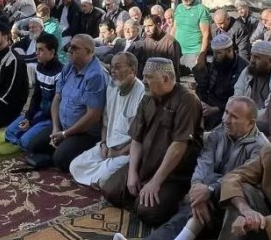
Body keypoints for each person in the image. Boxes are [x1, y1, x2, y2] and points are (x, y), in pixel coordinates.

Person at [112, 96, 268, 240]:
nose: (226, 119)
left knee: (199, 200)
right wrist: (196, 189)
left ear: (250, 122)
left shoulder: (261, 148)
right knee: (195, 203)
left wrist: (209, 190)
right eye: (226, 112)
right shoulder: (220, 132)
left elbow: (239, 180)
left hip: (234, 208)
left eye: (234, 116)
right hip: (208, 201)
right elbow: (203, 163)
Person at [101, 58, 203, 226]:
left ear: (165, 79)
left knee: (148, 213)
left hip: (173, 174)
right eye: (144, 76)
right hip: (146, 164)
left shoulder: (187, 100)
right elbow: (137, 138)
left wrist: (156, 181)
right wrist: (133, 172)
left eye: (149, 77)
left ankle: (169, 200)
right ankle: (142, 193)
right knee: (110, 191)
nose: (144, 81)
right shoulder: (148, 97)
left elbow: (179, 146)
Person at [26, 34, 107, 171]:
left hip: (84, 133)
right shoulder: (69, 67)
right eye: (70, 46)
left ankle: (66, 151)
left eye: (74, 48)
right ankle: (60, 147)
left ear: (88, 52)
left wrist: (65, 134)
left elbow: (93, 116)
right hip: (63, 127)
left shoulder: (95, 76)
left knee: (61, 160)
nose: (69, 50)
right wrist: (56, 128)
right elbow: (57, 98)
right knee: (33, 145)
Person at [70, 53, 146, 187]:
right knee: (75, 165)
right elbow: (105, 123)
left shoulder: (142, 93)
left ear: (132, 70)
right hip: (108, 147)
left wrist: (118, 152)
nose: (112, 71)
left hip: (127, 152)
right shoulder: (112, 87)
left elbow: (141, 137)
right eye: (111, 67)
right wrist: (104, 143)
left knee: (103, 178)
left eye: (117, 67)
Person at [5, 33, 64, 151]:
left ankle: (25, 141)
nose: (37, 53)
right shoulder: (40, 67)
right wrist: (28, 117)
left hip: (51, 117)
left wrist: (32, 121)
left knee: (26, 142)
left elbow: (55, 105)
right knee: (9, 131)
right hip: (38, 113)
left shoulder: (60, 72)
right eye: (37, 49)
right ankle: (23, 139)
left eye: (41, 50)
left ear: (52, 52)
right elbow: (36, 96)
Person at [195, 33, 249, 129]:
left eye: (219, 53)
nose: (215, 56)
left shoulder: (243, 68)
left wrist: (216, 109)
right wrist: (200, 102)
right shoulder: (217, 62)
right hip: (209, 104)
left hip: (229, 110)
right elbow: (204, 85)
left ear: (229, 51)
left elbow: (240, 99)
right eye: (214, 53)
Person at [234, 40, 271, 109]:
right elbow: (238, 94)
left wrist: (247, 116)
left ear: (270, 61)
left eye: (257, 57)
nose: (252, 60)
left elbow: (270, 110)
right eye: (252, 56)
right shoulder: (249, 70)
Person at [171, 0, 210, 70]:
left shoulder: (201, 9)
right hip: (178, 51)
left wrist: (202, 55)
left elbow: (206, 34)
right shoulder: (179, 8)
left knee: (192, 80)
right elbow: (174, 28)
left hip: (194, 52)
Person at [130, 15, 182, 79]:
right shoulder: (147, 40)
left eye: (150, 26)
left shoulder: (170, 42)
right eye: (145, 26)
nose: (147, 30)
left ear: (159, 25)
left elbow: (174, 69)